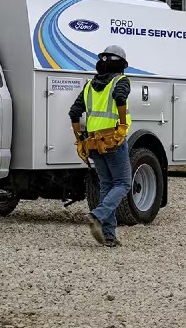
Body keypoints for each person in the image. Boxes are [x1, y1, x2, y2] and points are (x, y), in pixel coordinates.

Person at [69, 45, 132, 248]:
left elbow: (74, 112)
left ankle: (109, 236)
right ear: (121, 65)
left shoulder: (89, 86)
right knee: (123, 183)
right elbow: (120, 98)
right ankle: (97, 215)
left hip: (94, 143)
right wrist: (122, 125)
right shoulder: (121, 81)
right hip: (113, 140)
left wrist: (79, 138)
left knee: (107, 185)